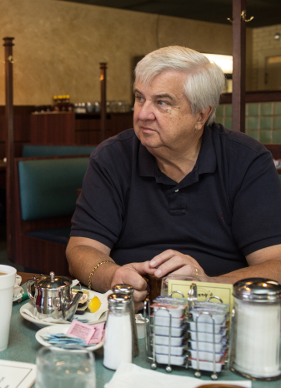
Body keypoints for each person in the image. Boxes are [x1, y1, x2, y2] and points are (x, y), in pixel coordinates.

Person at [66, 45, 281, 310]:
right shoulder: (112, 157)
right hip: (131, 312)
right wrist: (111, 276)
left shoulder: (246, 160)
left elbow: (276, 264)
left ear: (201, 115)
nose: (143, 114)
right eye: (139, 98)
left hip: (216, 314)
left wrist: (209, 285)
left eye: (162, 102)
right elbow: (80, 250)